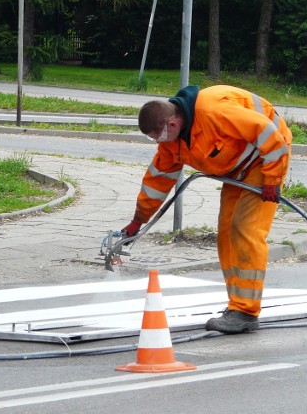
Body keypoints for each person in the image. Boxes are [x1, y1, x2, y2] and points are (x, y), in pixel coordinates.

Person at [121, 85, 292, 334]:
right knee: (226, 233)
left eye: (157, 136)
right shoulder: (172, 143)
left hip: (265, 159)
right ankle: (237, 306)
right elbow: (156, 182)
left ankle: (246, 312)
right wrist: (138, 220)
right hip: (237, 170)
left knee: (245, 229)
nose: (157, 142)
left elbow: (269, 134)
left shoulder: (214, 113)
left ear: (172, 123)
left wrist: (273, 180)